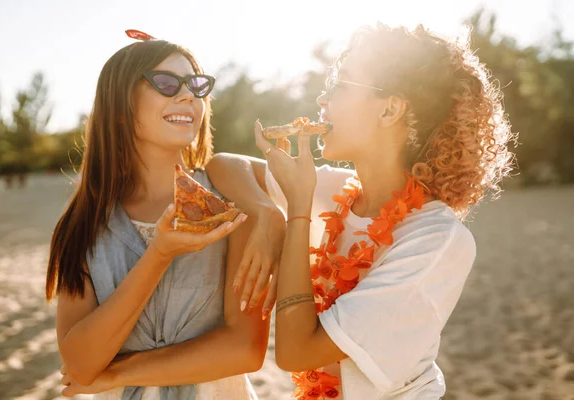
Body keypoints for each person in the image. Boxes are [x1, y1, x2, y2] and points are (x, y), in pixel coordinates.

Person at [208, 23, 516, 399]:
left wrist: (299, 208)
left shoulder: (438, 242)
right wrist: (266, 213)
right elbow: (223, 164)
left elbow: (295, 352)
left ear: (389, 109)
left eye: (340, 85)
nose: (322, 101)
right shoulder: (335, 189)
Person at [46, 30, 286, 399]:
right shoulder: (85, 222)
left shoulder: (233, 201)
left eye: (196, 84)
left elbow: (245, 350)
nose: (188, 95)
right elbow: (78, 363)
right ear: (119, 106)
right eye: (166, 83)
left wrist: (116, 375)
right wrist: (159, 254)